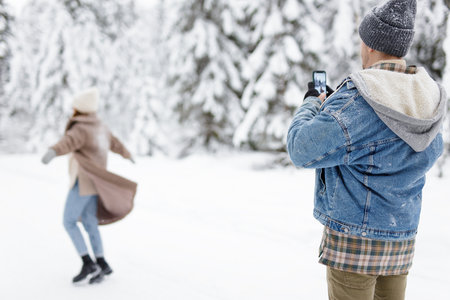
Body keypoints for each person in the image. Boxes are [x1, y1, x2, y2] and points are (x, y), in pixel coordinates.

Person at [287, 0, 447, 299]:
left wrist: (313, 102)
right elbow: (429, 149)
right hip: (400, 240)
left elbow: (301, 148)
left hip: (354, 242)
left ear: (370, 44)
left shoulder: (358, 99)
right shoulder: (428, 98)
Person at [41, 87, 137, 284]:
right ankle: (101, 261)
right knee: (89, 221)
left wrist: (52, 151)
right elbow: (116, 144)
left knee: (68, 221)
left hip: (83, 182)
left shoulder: (81, 128)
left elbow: (67, 142)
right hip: (96, 184)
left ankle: (88, 262)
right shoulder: (100, 126)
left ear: (80, 108)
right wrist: (127, 154)